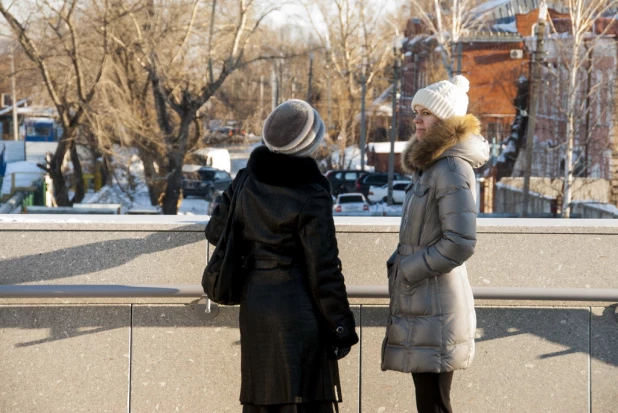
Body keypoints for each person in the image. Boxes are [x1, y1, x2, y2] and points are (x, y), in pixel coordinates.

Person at [205, 99, 359, 413]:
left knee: (262, 398)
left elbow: (214, 231)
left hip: (255, 302)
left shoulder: (247, 178)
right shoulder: (312, 192)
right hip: (298, 307)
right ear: (310, 143)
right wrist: (341, 327)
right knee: (301, 399)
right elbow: (324, 268)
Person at [381, 75, 490, 413]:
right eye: (416, 111)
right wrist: (399, 260)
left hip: (438, 305)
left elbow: (460, 242)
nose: (417, 119)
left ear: (446, 119)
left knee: (434, 405)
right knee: (430, 403)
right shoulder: (432, 167)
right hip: (426, 303)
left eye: (426, 112)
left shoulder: (451, 168)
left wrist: (409, 268)